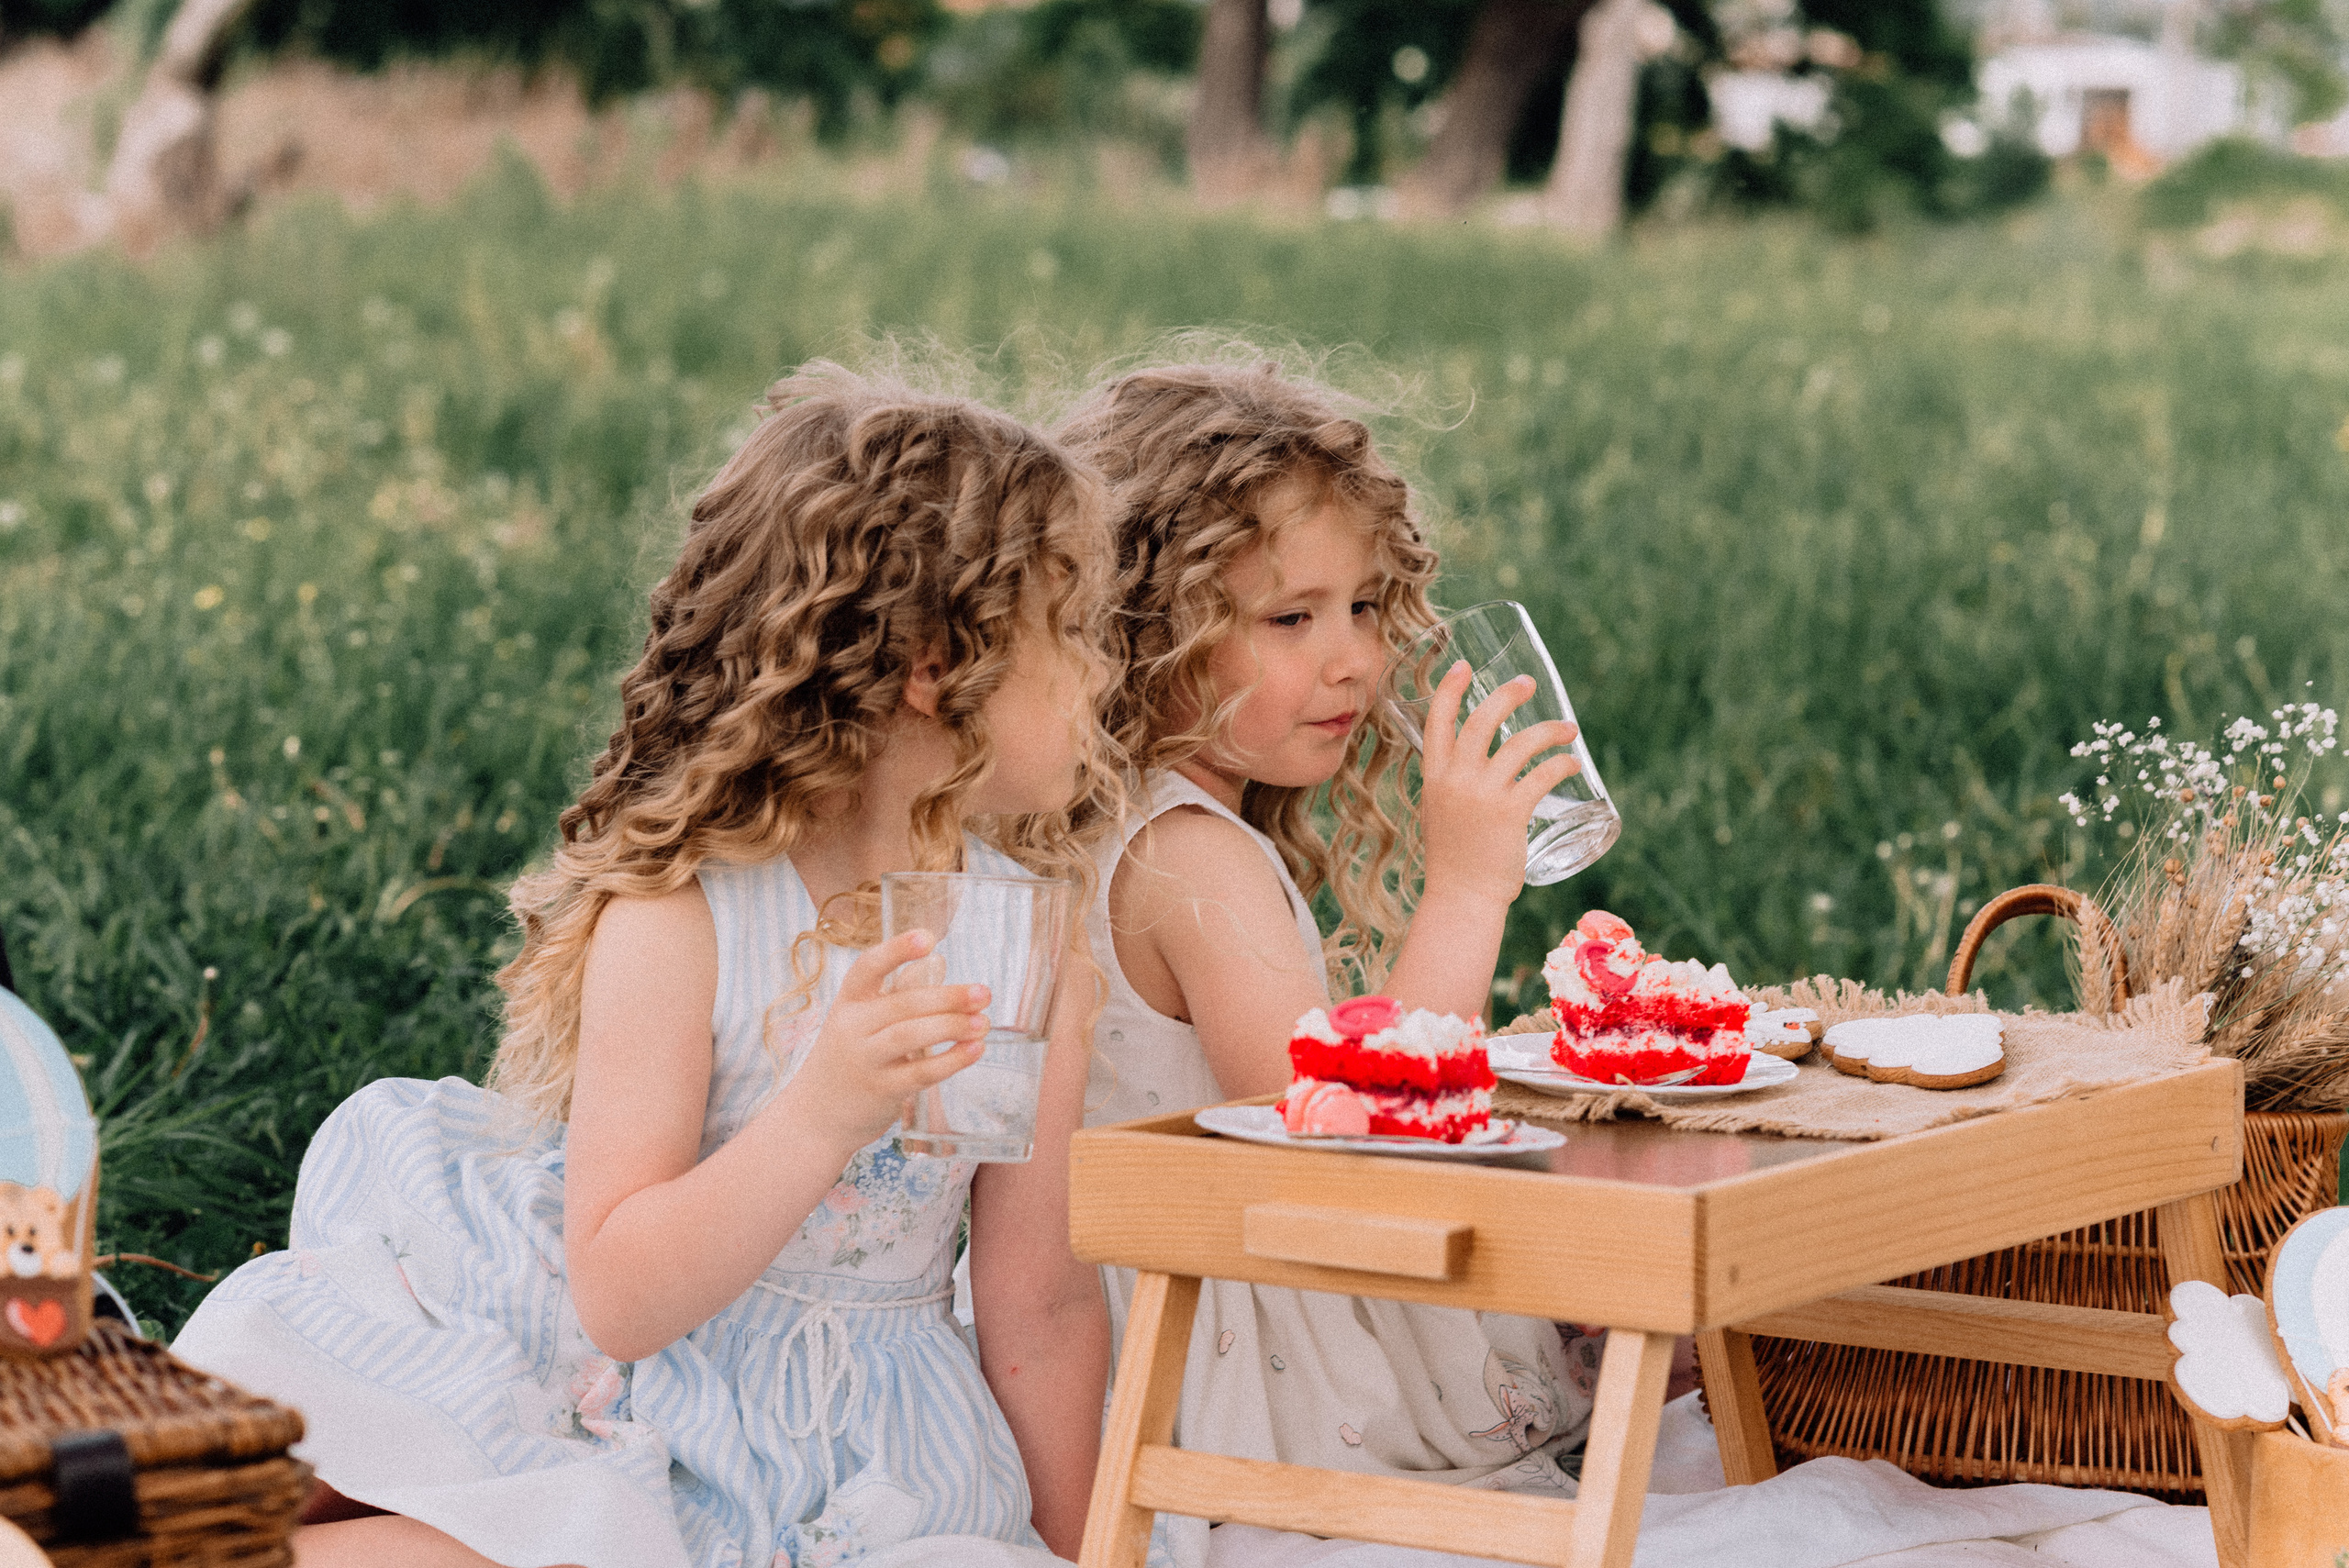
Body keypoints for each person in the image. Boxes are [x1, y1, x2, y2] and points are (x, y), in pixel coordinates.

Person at [173, 366, 1117, 1568]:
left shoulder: (1026, 940)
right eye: (1075, 635)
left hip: (877, 1444)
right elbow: (621, 1294)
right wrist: (822, 1110)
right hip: (638, 1389)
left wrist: (1092, 1548)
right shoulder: (687, 918)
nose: (1106, 675)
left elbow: (1037, 1303)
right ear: (937, 666)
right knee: (527, 1535)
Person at [1055, 359, 1598, 1568]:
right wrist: (1465, 885)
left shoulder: (1141, 825)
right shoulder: (1194, 859)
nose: (1352, 656)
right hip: (1251, 1362)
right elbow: (1357, 1151)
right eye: (1290, 618)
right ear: (1150, 633)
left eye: (1364, 606)